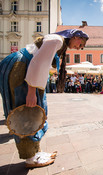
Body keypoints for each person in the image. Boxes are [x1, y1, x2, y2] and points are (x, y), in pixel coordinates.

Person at [0, 29, 89, 168]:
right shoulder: (57, 40)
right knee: (26, 113)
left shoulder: (58, 41)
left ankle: (35, 152)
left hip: (23, 68)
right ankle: (30, 158)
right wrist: (31, 91)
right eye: (80, 43)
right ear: (75, 36)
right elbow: (38, 64)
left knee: (33, 111)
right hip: (22, 69)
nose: (80, 47)